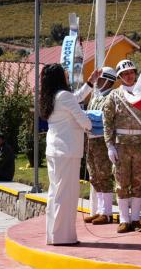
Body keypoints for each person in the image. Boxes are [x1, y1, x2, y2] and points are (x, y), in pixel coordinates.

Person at [40, 63, 92, 245]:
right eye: (64, 72)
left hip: (55, 150)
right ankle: (63, 237)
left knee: (55, 193)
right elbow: (83, 119)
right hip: (67, 150)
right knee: (66, 195)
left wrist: (89, 84)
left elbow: (75, 98)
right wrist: (90, 124)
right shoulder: (64, 95)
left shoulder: (51, 96)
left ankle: (53, 234)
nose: (67, 74)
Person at [103, 59, 141, 233]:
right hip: (121, 145)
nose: (129, 76)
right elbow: (107, 122)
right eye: (125, 74)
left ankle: (135, 219)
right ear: (119, 77)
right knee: (121, 182)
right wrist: (109, 145)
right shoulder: (114, 96)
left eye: (131, 72)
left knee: (139, 182)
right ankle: (124, 219)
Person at [82, 67, 118, 225]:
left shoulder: (111, 97)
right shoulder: (95, 97)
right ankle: (100, 210)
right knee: (94, 176)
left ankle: (106, 212)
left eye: (101, 79)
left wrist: (87, 116)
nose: (98, 82)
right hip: (91, 140)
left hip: (102, 140)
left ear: (109, 81)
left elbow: (105, 118)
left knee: (104, 175)